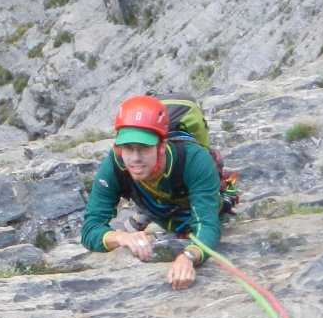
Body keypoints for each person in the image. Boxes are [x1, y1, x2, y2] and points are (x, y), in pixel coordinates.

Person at [81, 94, 226, 290]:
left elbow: (208, 224)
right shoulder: (115, 163)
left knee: (219, 209)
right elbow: (90, 228)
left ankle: (148, 208)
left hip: (189, 203)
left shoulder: (195, 159)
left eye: (144, 148)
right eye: (128, 148)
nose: (135, 158)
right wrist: (122, 237)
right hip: (157, 201)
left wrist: (189, 257)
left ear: (161, 147)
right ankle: (149, 206)